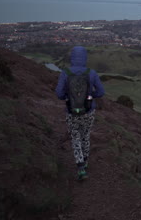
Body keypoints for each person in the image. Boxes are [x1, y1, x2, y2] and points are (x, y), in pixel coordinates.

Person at [55, 46, 105, 180]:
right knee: (85, 136)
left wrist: (68, 97)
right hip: (88, 111)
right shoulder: (92, 73)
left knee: (75, 137)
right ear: (85, 58)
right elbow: (101, 92)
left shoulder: (65, 72)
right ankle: (86, 162)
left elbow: (59, 93)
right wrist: (89, 96)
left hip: (71, 111)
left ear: (72, 58)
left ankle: (80, 167)